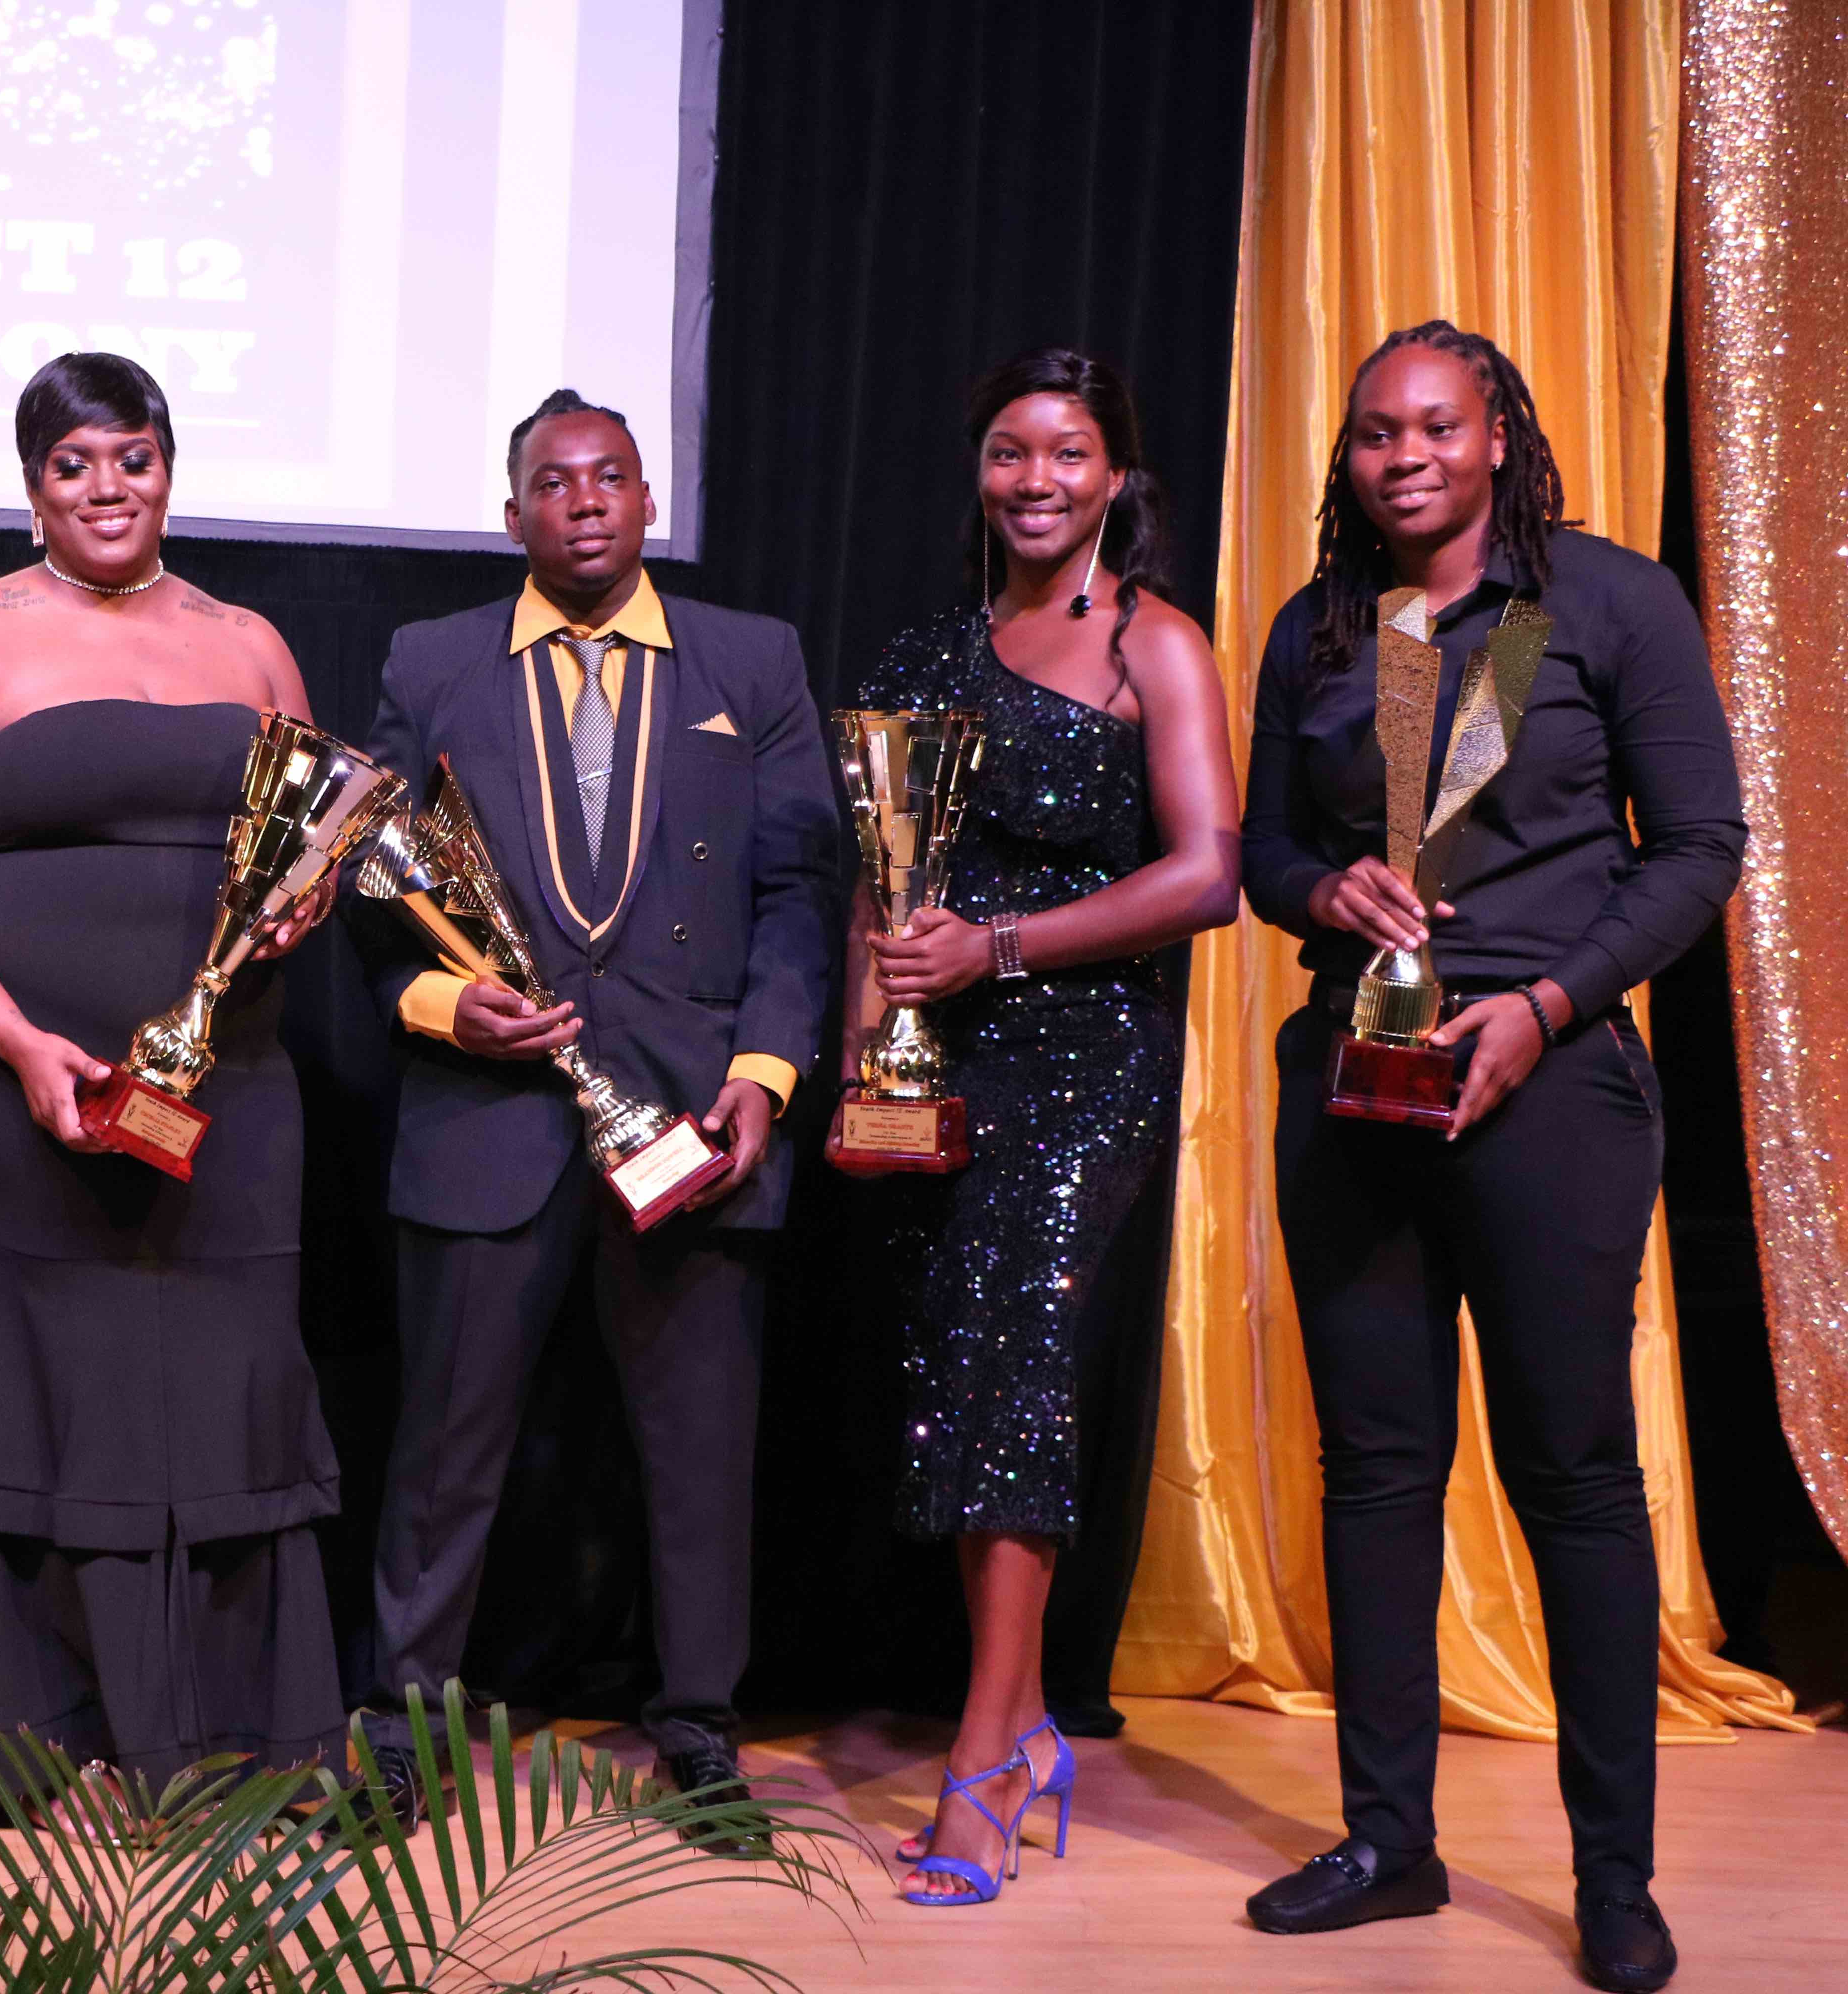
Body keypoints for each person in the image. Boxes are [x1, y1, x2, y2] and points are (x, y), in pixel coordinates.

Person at [1238, 322, 1741, 1994]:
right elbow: (1263, 847)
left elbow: (1700, 850)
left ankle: (1616, 1880)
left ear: (1503, 434)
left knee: (1575, 1478)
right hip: (1356, 1084)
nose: (1406, 458)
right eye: (1378, 433)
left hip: (1550, 1084)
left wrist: (1545, 1004)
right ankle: (1391, 1843)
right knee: (1376, 1472)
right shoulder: (1329, 626)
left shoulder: (1608, 603)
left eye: (1439, 428)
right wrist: (1325, 895)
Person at [0, 352, 345, 1793]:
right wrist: (14, 1041)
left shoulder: (252, 642)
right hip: (16, 1088)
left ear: (171, 465)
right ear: (32, 486)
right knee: (38, 1374)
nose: (107, 488)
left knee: (226, 1371)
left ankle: (226, 1736)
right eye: (74, 465)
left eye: (131, 457)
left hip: (231, 1084)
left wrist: (305, 903)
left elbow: (305, 847)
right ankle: (12, 1740)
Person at [347, 388, 835, 1845]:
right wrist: (446, 1009)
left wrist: (767, 1077)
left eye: (610, 477)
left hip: (694, 1123)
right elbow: (373, 893)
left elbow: (803, 892)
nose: (585, 502)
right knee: (443, 1452)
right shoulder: (429, 663)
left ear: (646, 499)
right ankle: (404, 1724)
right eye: (554, 484)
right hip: (486, 1121)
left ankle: (698, 1722)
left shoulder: (753, 659)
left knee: (698, 1450)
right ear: (515, 517)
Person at [839, 351, 1238, 1904]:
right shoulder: (934, 650)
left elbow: (1205, 876)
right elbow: (886, 885)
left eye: (1067, 454)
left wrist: (999, 949)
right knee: (959, 1382)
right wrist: (868, 1055)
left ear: (1118, 477)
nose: (1035, 481)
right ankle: (1012, 1732)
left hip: (1085, 1062)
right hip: (946, 1064)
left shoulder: (1159, 647)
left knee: (1015, 1379)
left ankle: (987, 1764)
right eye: (1009, 453)